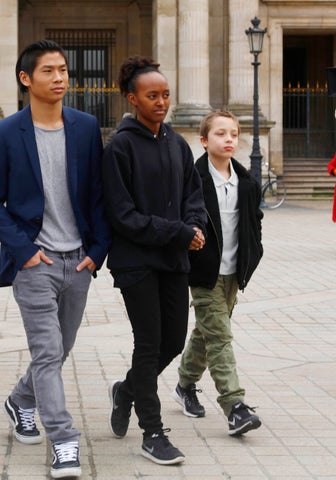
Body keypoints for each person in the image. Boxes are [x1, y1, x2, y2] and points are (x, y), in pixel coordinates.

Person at [0, 39, 110, 479]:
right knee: (48, 351)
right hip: (35, 262)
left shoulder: (85, 126)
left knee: (59, 350)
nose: (60, 78)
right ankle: (64, 440)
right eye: (49, 71)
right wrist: (25, 253)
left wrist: (96, 252)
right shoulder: (3, 134)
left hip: (78, 261)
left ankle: (20, 401)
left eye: (64, 70)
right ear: (25, 79)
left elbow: (96, 194)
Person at [102, 56, 207, 466]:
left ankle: (127, 390)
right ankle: (153, 431)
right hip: (135, 262)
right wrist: (178, 231)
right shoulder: (119, 147)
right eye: (152, 96)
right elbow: (123, 216)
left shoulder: (177, 143)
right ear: (132, 99)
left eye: (165, 94)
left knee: (173, 342)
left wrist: (194, 226)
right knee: (148, 344)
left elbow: (193, 196)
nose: (161, 102)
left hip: (173, 259)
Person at [173, 110, 264, 436]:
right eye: (220, 134)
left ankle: (184, 385)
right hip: (203, 272)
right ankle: (235, 406)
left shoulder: (246, 181)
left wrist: (254, 254)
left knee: (207, 332)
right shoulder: (193, 180)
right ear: (203, 140)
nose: (229, 139)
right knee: (221, 337)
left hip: (233, 273)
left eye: (234, 134)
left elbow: (254, 222)